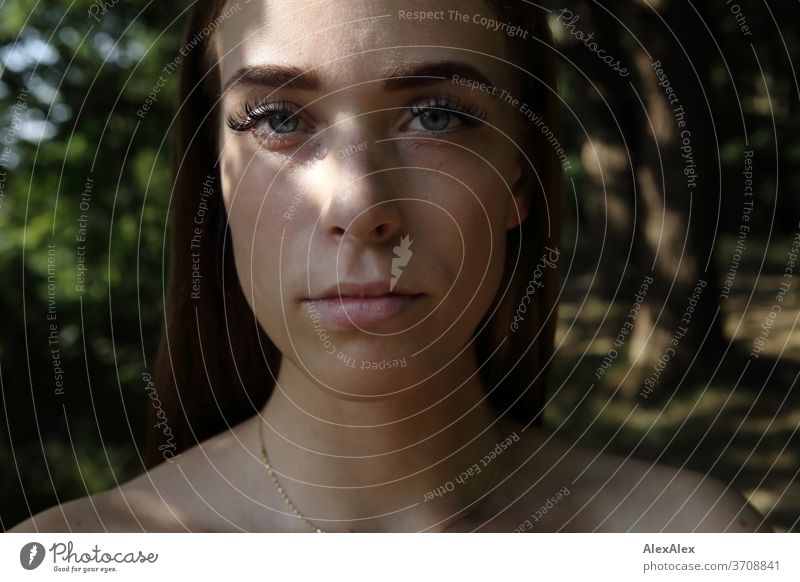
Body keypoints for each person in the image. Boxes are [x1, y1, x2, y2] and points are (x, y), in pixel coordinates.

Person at [11, 0, 768, 533]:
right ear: (219, 181)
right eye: (279, 119)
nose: (360, 201)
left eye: (437, 115)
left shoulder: (691, 542)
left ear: (517, 178)